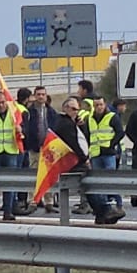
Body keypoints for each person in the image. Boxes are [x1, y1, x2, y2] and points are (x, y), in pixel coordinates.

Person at [51, 95, 121, 224]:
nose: (76, 112)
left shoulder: (68, 122)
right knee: (90, 184)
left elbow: (82, 137)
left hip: (82, 158)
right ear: (65, 108)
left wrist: (79, 125)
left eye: (77, 109)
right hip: (75, 161)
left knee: (88, 186)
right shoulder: (65, 124)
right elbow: (74, 143)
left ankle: (101, 214)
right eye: (73, 109)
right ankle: (105, 209)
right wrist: (84, 159)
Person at [0, 87, 24, 221]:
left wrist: (20, 129)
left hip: (10, 150)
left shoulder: (14, 113)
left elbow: (25, 125)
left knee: (9, 183)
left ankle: (8, 211)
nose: (1, 105)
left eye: (3, 102)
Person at [87, 96, 123, 209]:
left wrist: (111, 144)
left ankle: (118, 204)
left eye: (101, 104)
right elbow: (89, 135)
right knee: (98, 181)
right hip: (95, 153)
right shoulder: (90, 118)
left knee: (110, 179)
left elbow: (120, 133)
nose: (99, 107)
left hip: (108, 153)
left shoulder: (111, 117)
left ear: (105, 105)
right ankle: (104, 206)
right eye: (96, 105)